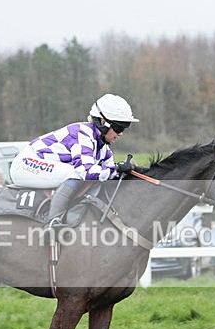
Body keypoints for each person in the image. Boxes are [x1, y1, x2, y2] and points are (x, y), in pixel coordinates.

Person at [9, 93, 139, 228]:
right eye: (118, 128)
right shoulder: (82, 134)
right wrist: (116, 169)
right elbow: (86, 171)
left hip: (44, 165)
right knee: (75, 173)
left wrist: (124, 170)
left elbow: (109, 172)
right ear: (102, 122)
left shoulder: (103, 149)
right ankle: (52, 223)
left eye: (124, 128)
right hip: (26, 164)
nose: (121, 133)